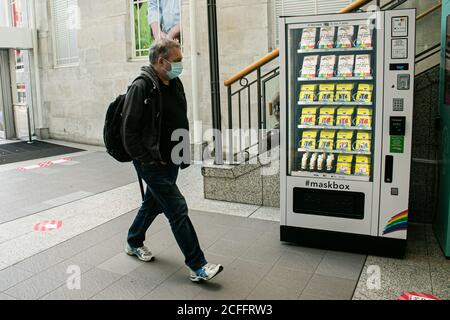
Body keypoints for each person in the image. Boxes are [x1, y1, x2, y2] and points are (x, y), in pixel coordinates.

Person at [121, 38, 223, 282]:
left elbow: (180, 120)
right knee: (177, 208)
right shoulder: (142, 86)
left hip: (171, 158)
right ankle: (197, 265)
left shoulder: (174, 83)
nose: (180, 65)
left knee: (153, 203)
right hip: (152, 162)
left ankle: (133, 241)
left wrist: (183, 153)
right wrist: (146, 160)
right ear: (160, 61)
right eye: (176, 61)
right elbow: (129, 131)